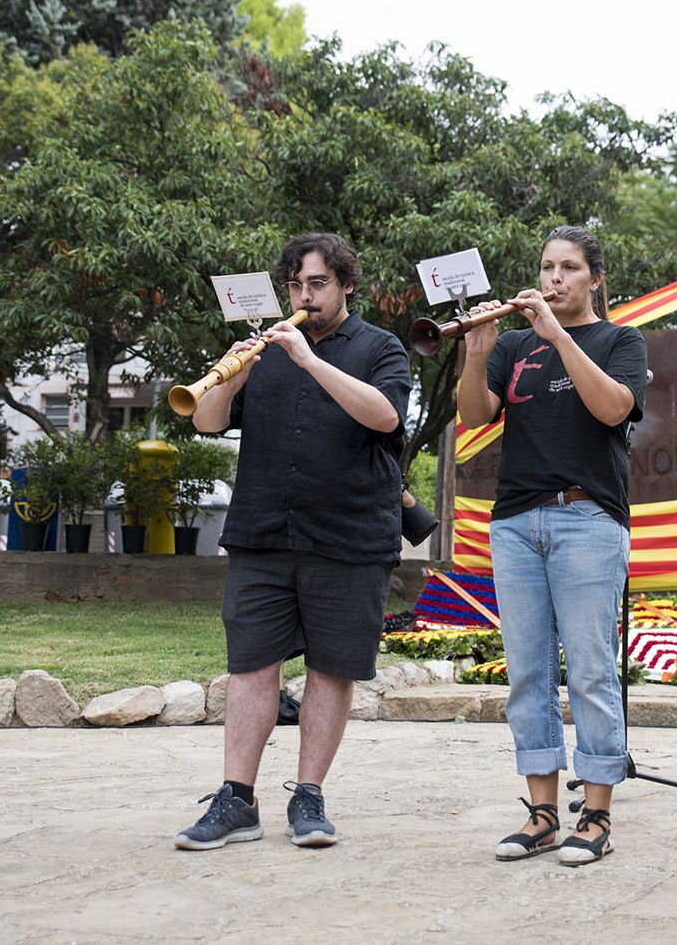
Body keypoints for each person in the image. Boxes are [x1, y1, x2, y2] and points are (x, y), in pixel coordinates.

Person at [176, 232, 411, 850]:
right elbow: (205, 420)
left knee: (332, 672)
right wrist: (230, 376)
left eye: (317, 284)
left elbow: (385, 415)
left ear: (346, 285)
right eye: (296, 285)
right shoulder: (266, 349)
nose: (304, 296)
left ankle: (308, 797)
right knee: (251, 667)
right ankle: (236, 800)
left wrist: (308, 358)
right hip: (262, 532)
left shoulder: (380, 348)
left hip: (351, 535)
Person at [457, 224, 647, 866]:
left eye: (568, 268)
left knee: (592, 671)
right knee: (528, 672)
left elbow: (614, 409)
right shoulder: (512, 345)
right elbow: (476, 414)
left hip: (587, 520)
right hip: (515, 522)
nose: (553, 279)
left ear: (595, 278)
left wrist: (558, 336)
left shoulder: (620, 340)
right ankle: (539, 814)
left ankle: (595, 817)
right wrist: (478, 349)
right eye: (546, 267)